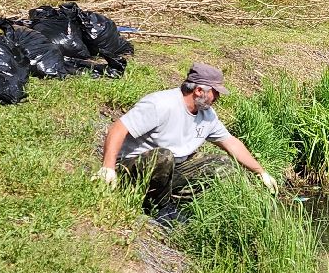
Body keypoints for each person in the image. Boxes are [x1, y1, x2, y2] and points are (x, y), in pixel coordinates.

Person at [97, 63, 276, 218]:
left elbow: (230, 142)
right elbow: (118, 128)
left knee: (223, 165)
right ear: (199, 91)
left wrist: (261, 172)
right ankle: (149, 206)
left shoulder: (207, 115)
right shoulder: (160, 104)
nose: (218, 98)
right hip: (131, 168)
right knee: (163, 157)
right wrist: (108, 167)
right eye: (215, 92)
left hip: (171, 169)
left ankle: (170, 204)